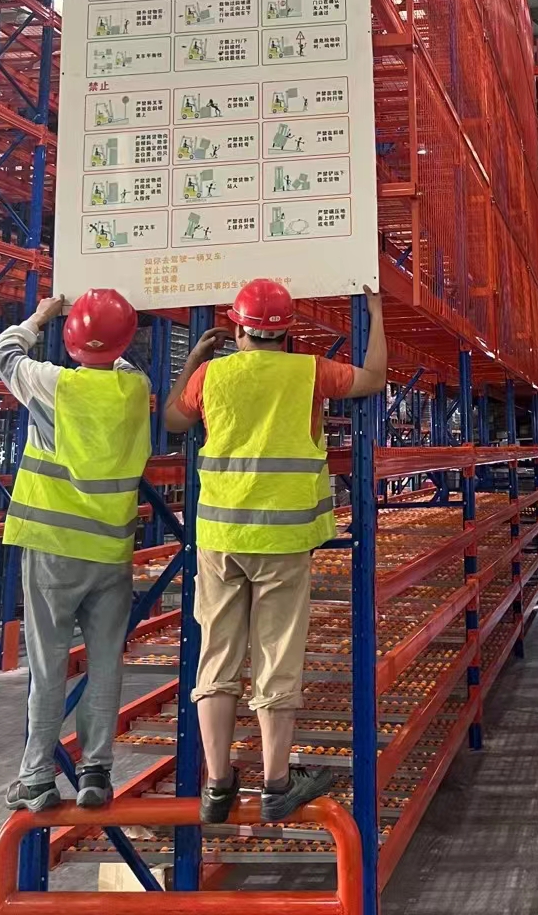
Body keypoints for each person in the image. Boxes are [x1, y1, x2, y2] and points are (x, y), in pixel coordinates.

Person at [163, 279, 387, 824]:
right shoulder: (308, 372)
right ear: (287, 332)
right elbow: (374, 378)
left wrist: (194, 359)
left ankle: (217, 786)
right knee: (277, 657)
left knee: (216, 657)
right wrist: (376, 312)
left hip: (219, 539)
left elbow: (172, 420)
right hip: (283, 541)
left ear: (238, 328)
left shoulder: (211, 375)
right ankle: (277, 784)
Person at [0, 290, 151, 812]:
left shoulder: (52, 384)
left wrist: (39, 317)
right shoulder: (134, 388)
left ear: (70, 339)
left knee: (48, 663)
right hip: (110, 550)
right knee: (105, 662)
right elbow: (120, 359)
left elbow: (3, 353)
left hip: (53, 547)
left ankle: (37, 776)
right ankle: (95, 772)